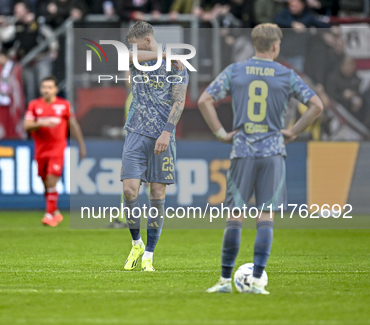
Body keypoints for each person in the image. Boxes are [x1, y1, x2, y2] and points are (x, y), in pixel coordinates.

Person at [198, 23, 324, 294]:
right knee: (265, 217)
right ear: (276, 46)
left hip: (242, 150)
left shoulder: (235, 70)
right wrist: (292, 131)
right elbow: (317, 105)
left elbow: (204, 100)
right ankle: (256, 280)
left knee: (235, 217)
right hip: (272, 152)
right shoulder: (286, 74)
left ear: (254, 45)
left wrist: (221, 133)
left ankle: (223, 282)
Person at [118, 21, 188, 272]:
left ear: (147, 40)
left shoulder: (177, 67)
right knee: (129, 191)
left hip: (162, 137)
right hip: (136, 132)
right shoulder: (141, 60)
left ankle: (149, 253)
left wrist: (167, 133)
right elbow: (124, 57)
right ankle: (136, 242)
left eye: (136, 45)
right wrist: (164, 53)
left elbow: (179, 102)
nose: (134, 51)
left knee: (157, 194)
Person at [24, 76, 86, 227]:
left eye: (50, 87)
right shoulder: (34, 105)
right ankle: (55, 211)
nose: (46, 90)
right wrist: (42, 122)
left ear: (55, 89)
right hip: (40, 149)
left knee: (52, 180)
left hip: (57, 148)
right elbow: (27, 126)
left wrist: (81, 145)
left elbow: (74, 125)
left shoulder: (64, 105)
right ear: (40, 89)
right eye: (44, 87)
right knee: (45, 182)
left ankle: (48, 215)